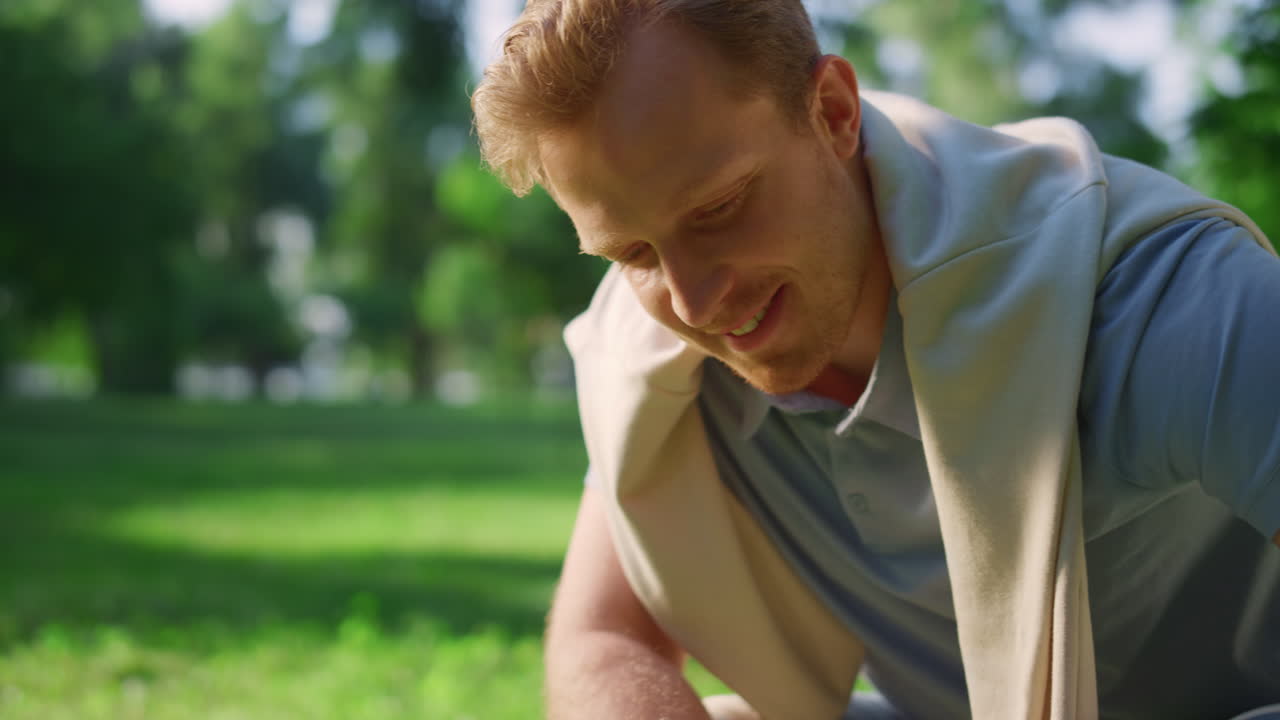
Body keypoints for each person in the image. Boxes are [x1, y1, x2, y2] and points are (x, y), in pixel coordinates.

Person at [471, 1, 1280, 718]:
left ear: (832, 111)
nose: (693, 302)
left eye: (719, 208)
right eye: (633, 253)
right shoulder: (657, 362)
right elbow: (605, 636)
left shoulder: (1156, 295)